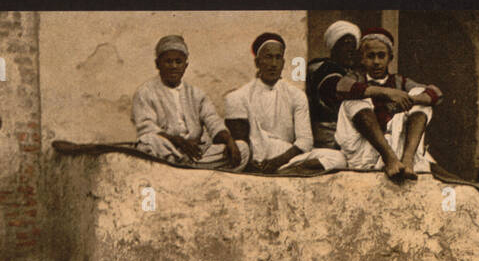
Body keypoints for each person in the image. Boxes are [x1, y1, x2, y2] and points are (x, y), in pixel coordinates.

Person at [322, 27, 442, 182]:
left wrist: (409, 99)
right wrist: (387, 93)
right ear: (362, 58)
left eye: (381, 56)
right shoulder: (356, 77)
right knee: (353, 99)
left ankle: (408, 160)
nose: (376, 62)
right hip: (364, 150)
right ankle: (390, 159)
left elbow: (436, 94)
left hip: (397, 146)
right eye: (370, 56)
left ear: (390, 58)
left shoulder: (399, 81)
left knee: (420, 95)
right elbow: (341, 87)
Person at [132, 35, 238, 167]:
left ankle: (185, 168)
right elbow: (147, 128)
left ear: (185, 65)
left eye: (178, 61)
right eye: (168, 61)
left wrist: (229, 140)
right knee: (148, 142)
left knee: (242, 149)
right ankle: (186, 169)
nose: (173, 66)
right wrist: (178, 141)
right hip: (167, 150)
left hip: (195, 153)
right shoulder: (145, 92)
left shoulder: (197, 94)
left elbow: (213, 121)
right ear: (157, 64)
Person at [223, 32, 314, 173]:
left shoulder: (296, 95)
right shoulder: (239, 96)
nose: (273, 64)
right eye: (268, 57)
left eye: (278, 58)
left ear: (283, 63)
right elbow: (241, 142)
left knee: (333, 157)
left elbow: (305, 141)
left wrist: (277, 162)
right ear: (257, 62)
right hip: (255, 157)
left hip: (287, 158)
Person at [306, 20, 361, 150]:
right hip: (328, 139)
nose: (351, 50)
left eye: (354, 46)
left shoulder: (351, 72)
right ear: (334, 47)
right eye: (346, 44)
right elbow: (344, 89)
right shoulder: (324, 69)